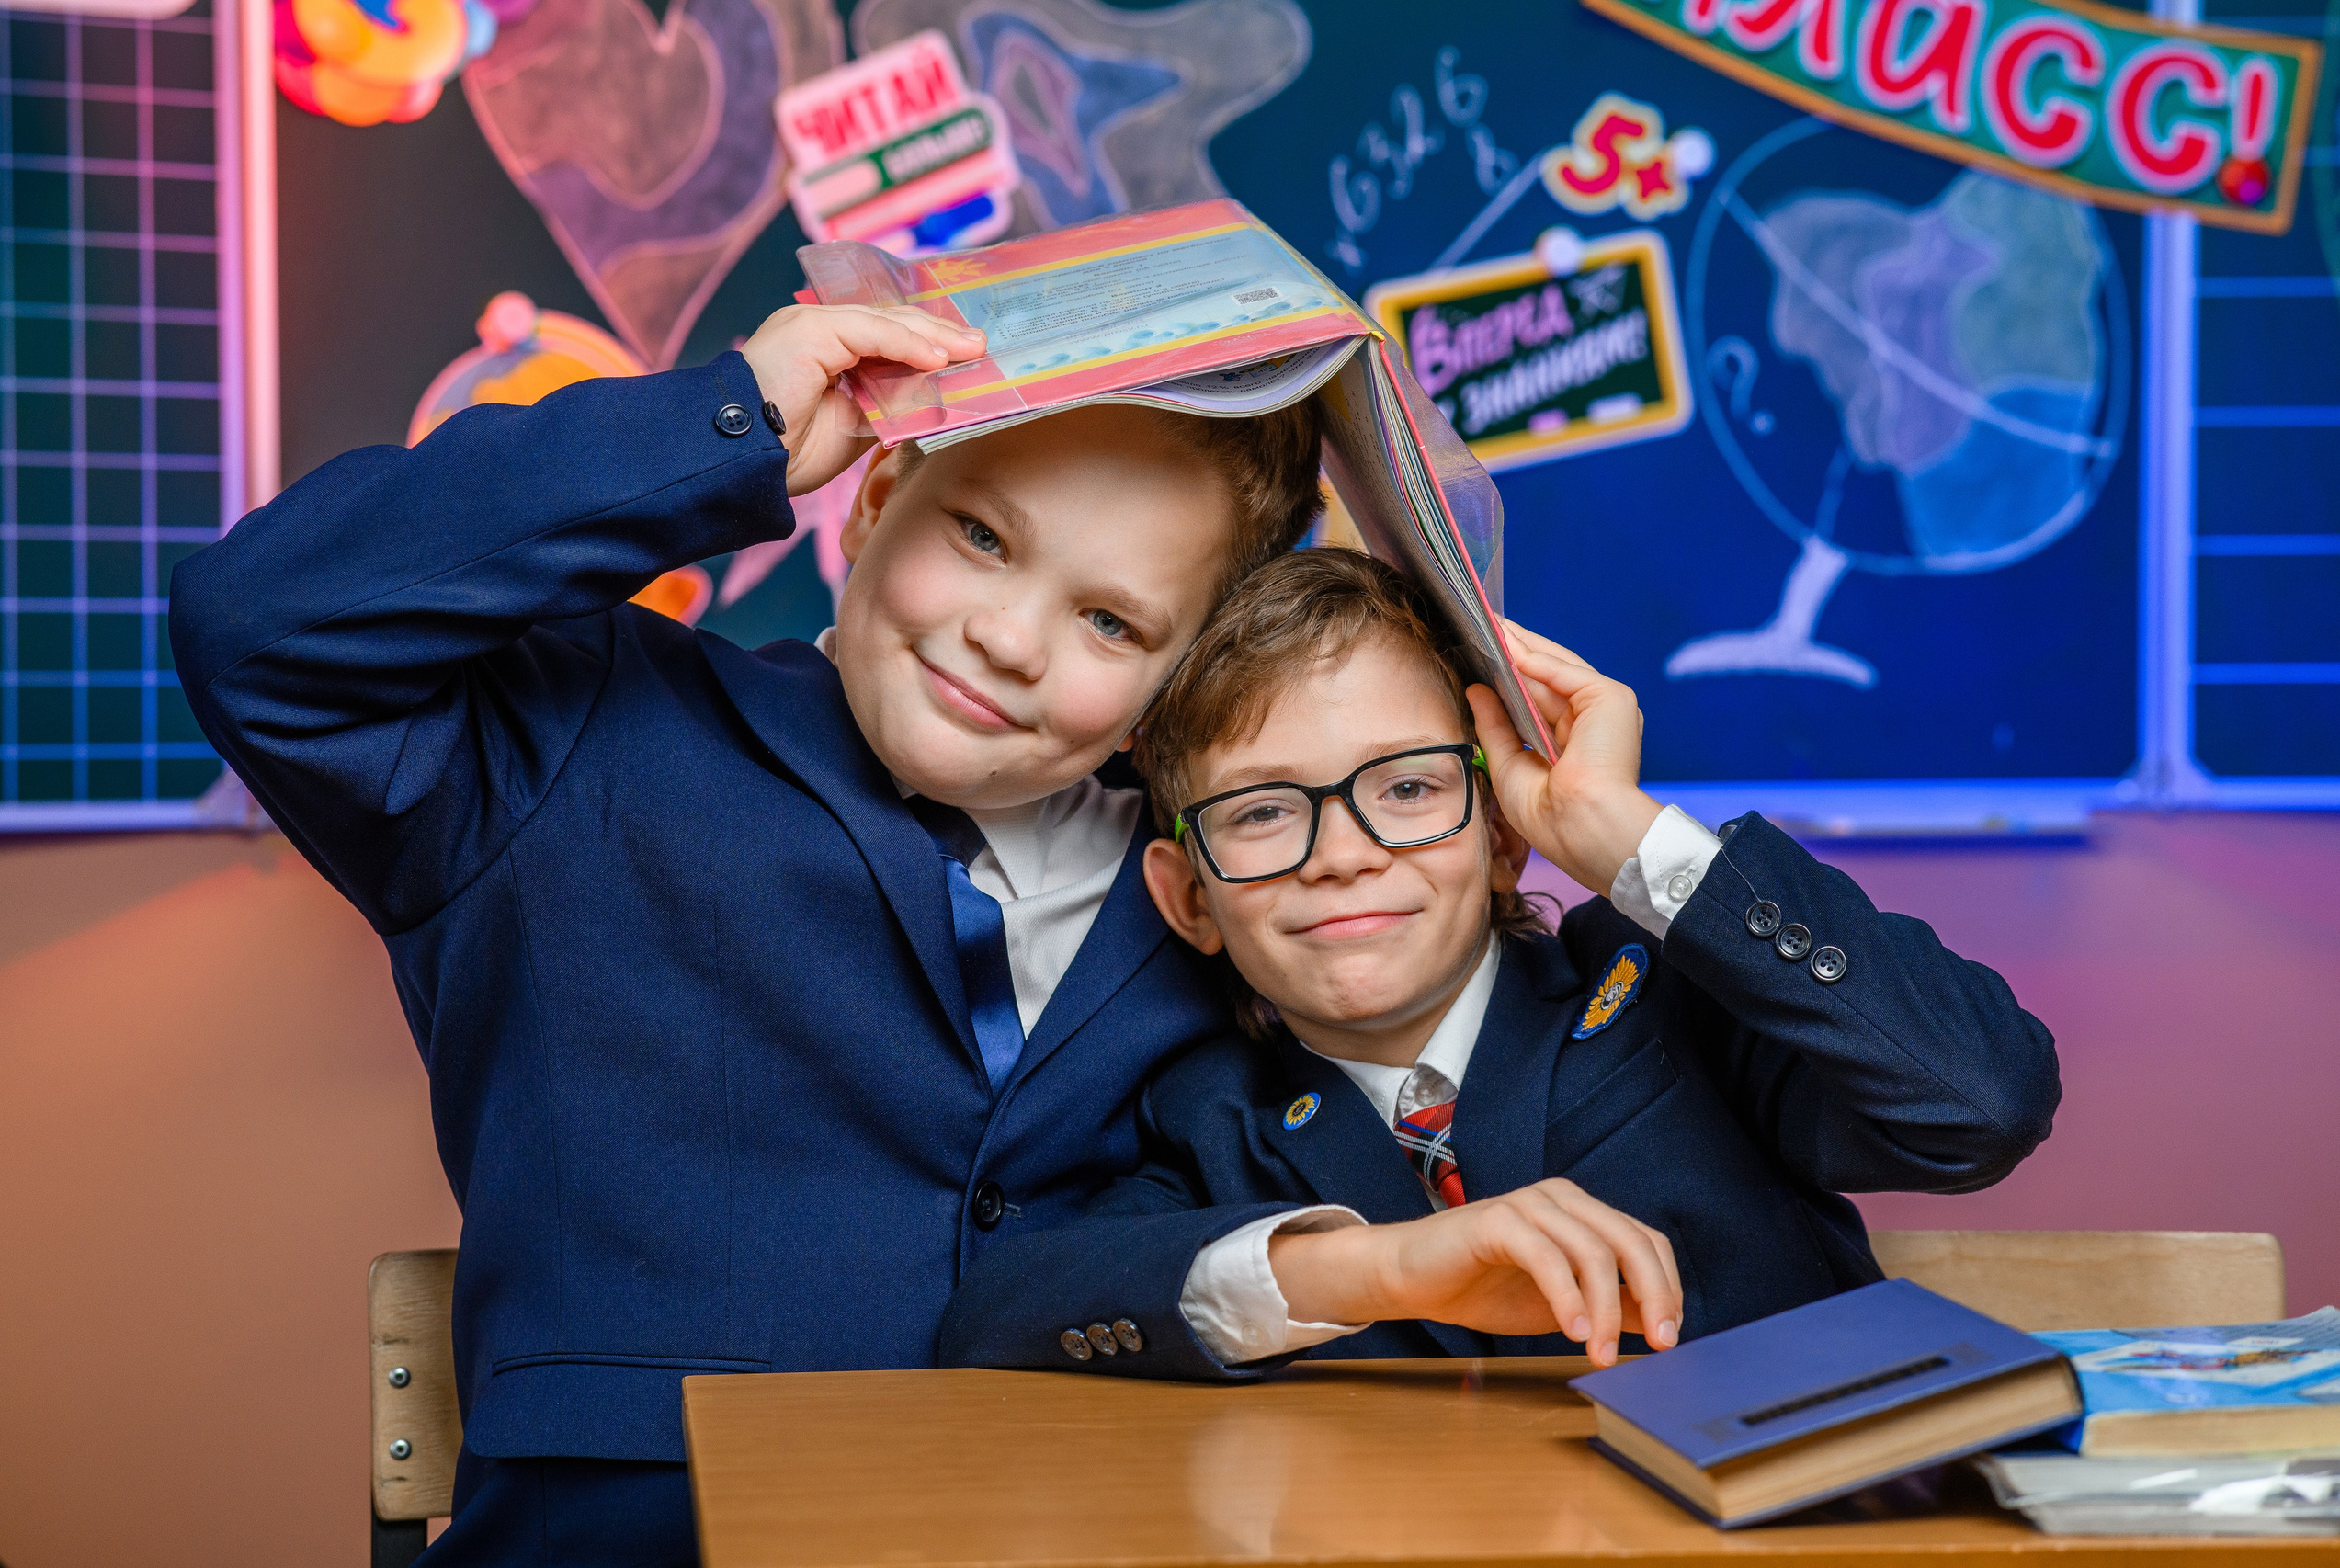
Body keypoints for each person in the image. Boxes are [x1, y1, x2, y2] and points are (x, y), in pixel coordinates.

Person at [168, 305, 1356, 1565]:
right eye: (981, 534)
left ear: (1171, 684)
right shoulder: (576, 735)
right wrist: (732, 424)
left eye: (1111, 622)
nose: (1008, 639)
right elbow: (255, 625)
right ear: (875, 498)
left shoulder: (1223, 885)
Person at [939, 548, 2062, 1378]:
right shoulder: (1204, 1118)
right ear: (1190, 898)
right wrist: (1381, 1264)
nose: (1341, 854)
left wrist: (1627, 838)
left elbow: (1983, 1098)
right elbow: (998, 1312)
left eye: (1408, 787)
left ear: (1503, 839)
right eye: (1263, 809)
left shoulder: (1670, 999)